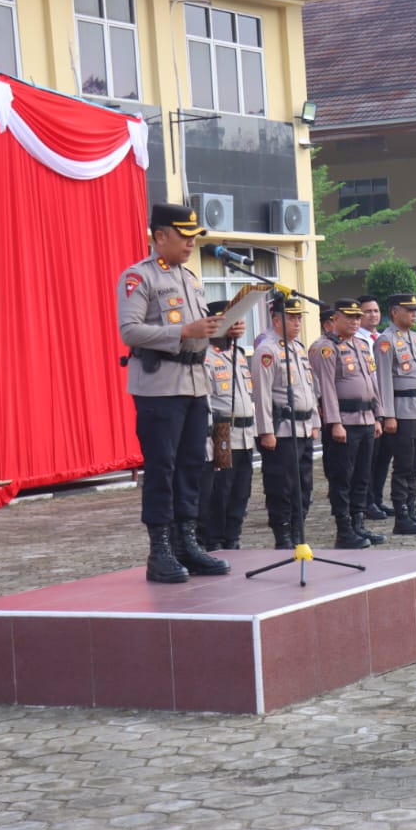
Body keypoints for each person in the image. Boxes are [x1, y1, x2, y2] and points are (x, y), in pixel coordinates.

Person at [117, 203, 230, 583]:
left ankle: (187, 541)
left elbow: (198, 332)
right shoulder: (139, 277)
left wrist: (220, 331)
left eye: (195, 236)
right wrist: (183, 332)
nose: (191, 243)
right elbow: (130, 331)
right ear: (160, 236)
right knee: (162, 469)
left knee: (192, 467)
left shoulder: (192, 279)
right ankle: (160, 549)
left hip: (196, 385)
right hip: (159, 388)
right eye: (184, 236)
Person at [311, 298, 385, 550]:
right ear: (334, 320)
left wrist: (378, 416)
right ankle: (344, 530)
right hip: (344, 422)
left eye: (357, 317)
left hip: (365, 419)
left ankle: (358, 525)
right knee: (342, 477)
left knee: (363, 477)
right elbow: (326, 388)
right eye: (349, 317)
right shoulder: (325, 348)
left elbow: (371, 382)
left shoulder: (361, 345)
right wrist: (334, 422)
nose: (355, 321)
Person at [253, 294, 321, 549]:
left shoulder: (298, 348)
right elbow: (261, 394)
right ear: (276, 320)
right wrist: (265, 431)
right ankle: (282, 535)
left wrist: (314, 421)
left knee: (304, 485)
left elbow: (309, 388)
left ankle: (298, 531)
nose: (297, 323)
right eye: (291, 318)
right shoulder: (267, 350)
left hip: (302, 428)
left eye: (298, 318)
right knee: (282, 485)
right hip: (281, 430)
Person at [374, 294, 416, 535]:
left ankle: (412, 509)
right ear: (394, 312)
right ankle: (401, 516)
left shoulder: (415, 337)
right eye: (409, 310)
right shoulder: (386, 341)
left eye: (415, 310)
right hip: (402, 411)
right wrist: (387, 415)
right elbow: (383, 381)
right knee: (403, 465)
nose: (414, 314)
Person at [197, 300, 254, 552]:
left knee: (241, 489)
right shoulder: (205, 357)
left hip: (245, 432)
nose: (233, 326)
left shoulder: (238, 355)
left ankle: (233, 537)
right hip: (221, 431)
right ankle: (215, 541)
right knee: (220, 491)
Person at [357, 294, 390, 522]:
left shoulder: (381, 337)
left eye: (376, 311)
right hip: (368, 407)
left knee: (383, 457)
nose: (373, 315)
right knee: (369, 458)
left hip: (384, 405)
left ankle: (377, 498)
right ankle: (367, 501)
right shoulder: (359, 341)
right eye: (368, 311)